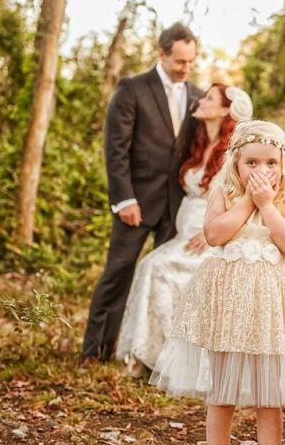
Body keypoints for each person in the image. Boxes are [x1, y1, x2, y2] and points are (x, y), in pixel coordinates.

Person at [149, 120, 285, 445]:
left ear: (283, 164)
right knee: (222, 389)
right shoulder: (223, 192)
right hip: (229, 300)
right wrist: (247, 201)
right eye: (251, 163)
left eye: (270, 163)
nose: (261, 171)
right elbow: (214, 235)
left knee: (268, 394)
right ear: (235, 163)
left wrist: (267, 205)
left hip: (269, 301)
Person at [81, 23, 202, 365]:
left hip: (177, 206)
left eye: (191, 62)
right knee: (118, 272)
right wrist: (124, 199)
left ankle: (156, 358)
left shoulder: (197, 95)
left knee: (164, 280)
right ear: (162, 54)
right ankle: (95, 351)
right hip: (135, 202)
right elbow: (115, 149)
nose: (186, 68)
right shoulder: (132, 89)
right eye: (180, 61)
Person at [115, 84, 253, 376]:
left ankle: (170, 362)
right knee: (150, 266)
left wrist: (211, 232)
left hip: (210, 240)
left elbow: (242, 200)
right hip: (183, 237)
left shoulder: (234, 154)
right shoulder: (199, 143)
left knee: (156, 268)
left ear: (225, 110)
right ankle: (146, 354)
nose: (201, 101)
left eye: (209, 98)